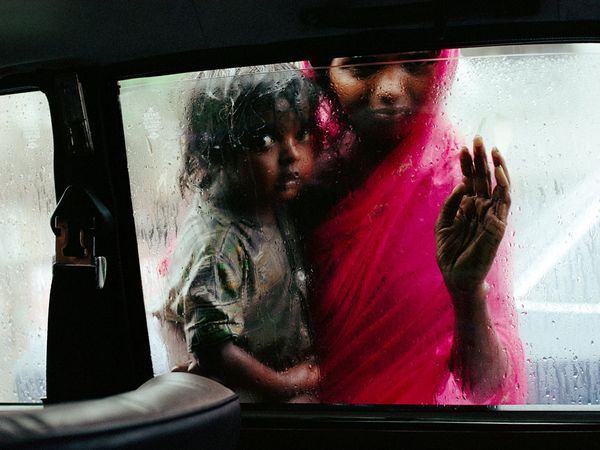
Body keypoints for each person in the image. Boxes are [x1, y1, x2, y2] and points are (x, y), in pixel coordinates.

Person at [302, 50, 526, 404]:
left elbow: (486, 387)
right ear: (321, 75)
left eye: (415, 64)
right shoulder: (286, 169)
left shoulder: (461, 190)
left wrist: (467, 293)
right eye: (361, 67)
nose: (391, 88)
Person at [159, 65, 320, 402]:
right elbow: (214, 349)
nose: (292, 154)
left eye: (301, 133)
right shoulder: (220, 244)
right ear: (216, 151)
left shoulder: (264, 197)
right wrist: (285, 385)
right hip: (247, 399)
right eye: (265, 139)